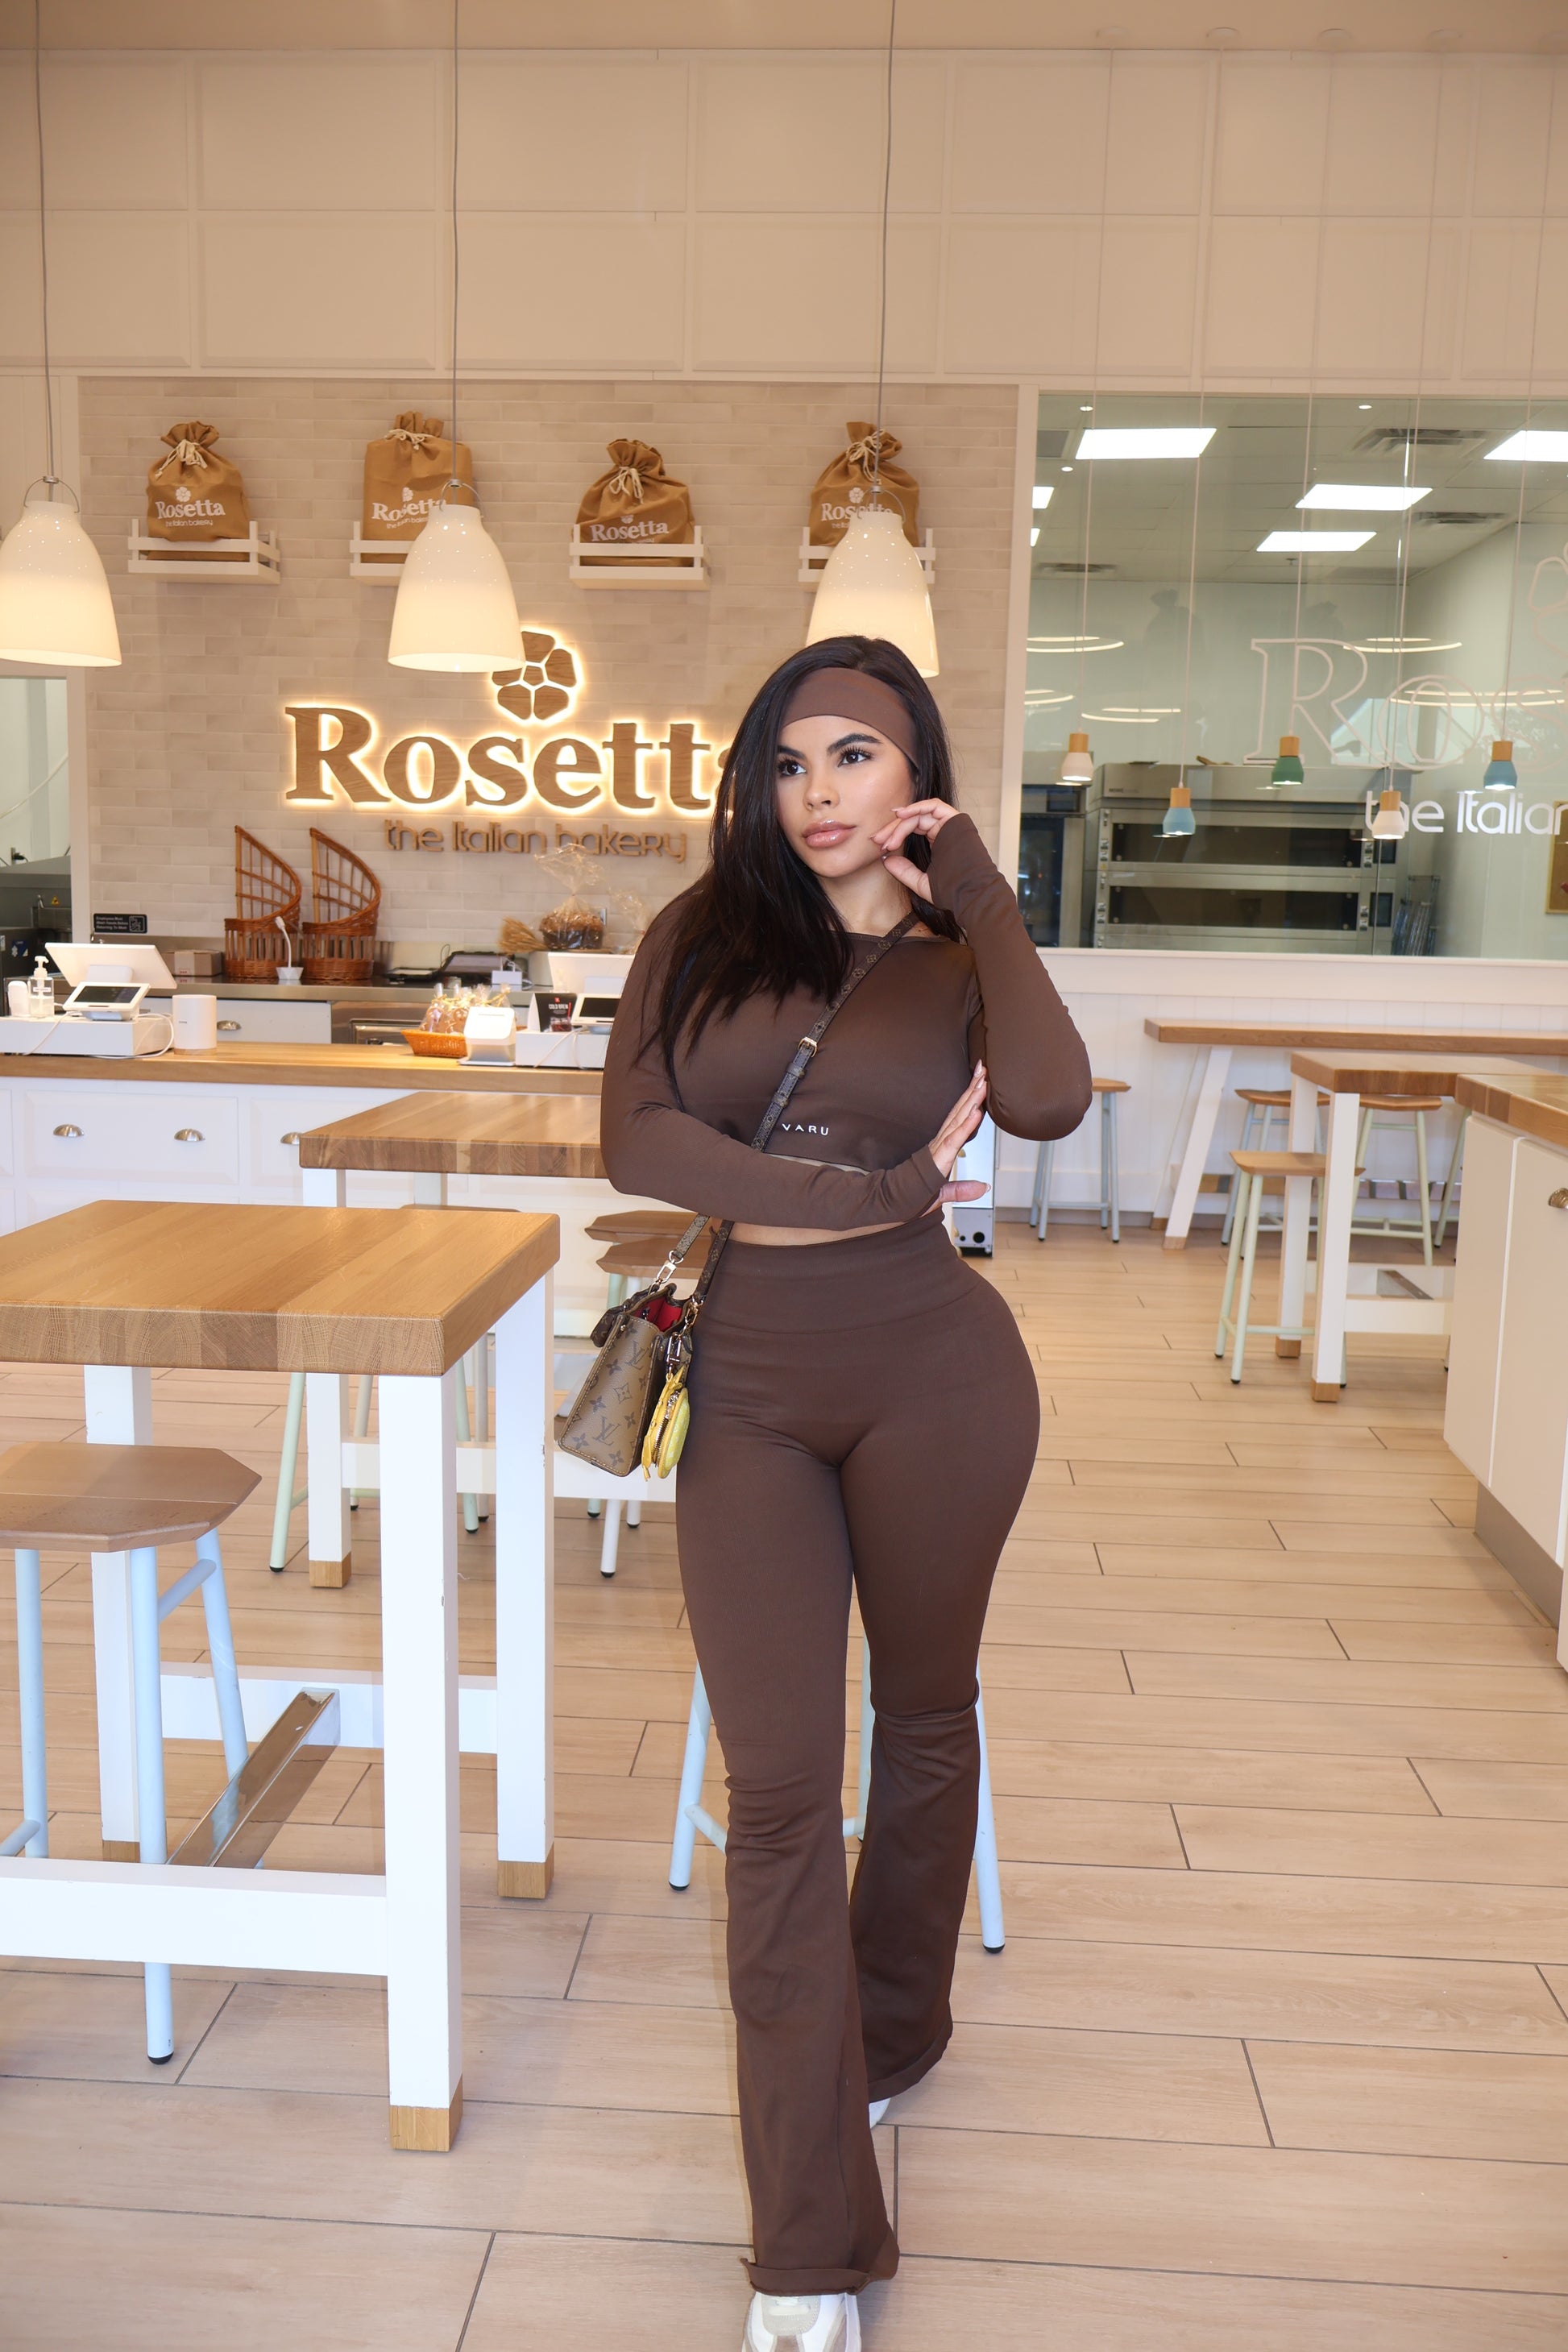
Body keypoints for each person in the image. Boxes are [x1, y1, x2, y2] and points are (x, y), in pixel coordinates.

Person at [600, 635, 1092, 2352]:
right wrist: (871, 1190)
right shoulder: (702, 933)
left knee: (927, 1713)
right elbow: (641, 1141)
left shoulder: (960, 952)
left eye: (852, 756)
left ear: (914, 775)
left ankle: (891, 2032)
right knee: (783, 1793)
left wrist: (984, 893)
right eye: (786, 760)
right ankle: (808, 2238)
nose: (813, 792)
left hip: (937, 1380)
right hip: (746, 1387)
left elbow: (1048, 1100)